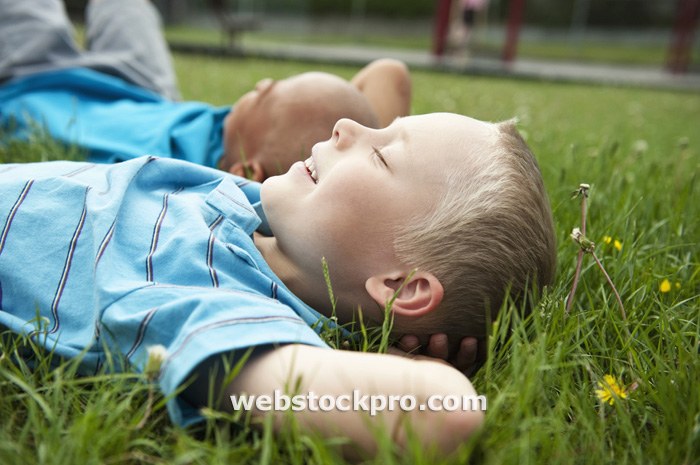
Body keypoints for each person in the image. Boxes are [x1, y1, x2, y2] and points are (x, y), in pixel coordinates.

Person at [0, 110, 557, 457]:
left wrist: (414, 374)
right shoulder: (251, 209)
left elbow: (446, 414)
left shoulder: (227, 303)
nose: (347, 126)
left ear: (403, 283)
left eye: (382, 154)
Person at [0, 0, 411, 182]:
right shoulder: (249, 146)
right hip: (145, 91)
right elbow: (389, 74)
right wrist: (376, 160)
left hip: (37, 80)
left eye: (266, 96)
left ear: (248, 173)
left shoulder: (203, 187)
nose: (263, 83)